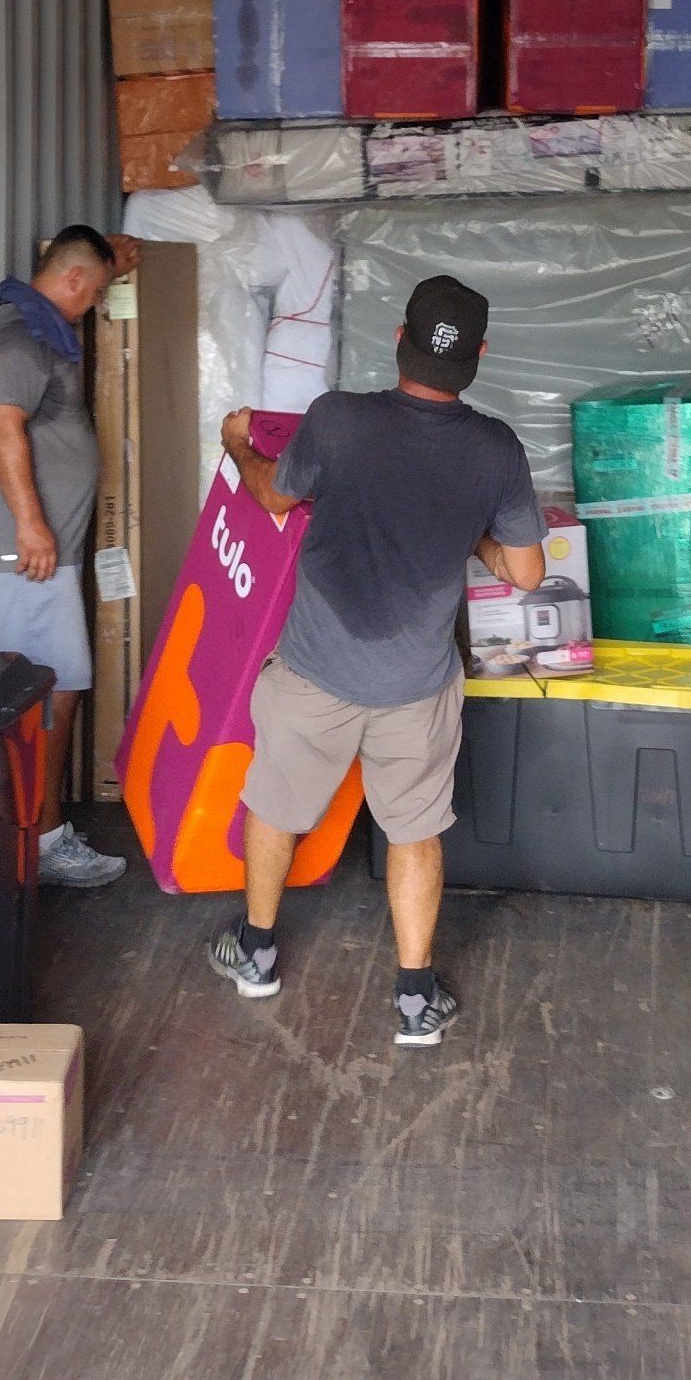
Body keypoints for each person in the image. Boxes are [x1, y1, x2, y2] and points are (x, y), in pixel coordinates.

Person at [208, 273, 545, 1045]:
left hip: (315, 671)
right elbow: (526, 572)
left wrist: (235, 445)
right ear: (481, 356)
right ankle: (414, 1001)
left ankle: (256, 955)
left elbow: (275, 497)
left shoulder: (338, 421)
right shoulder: (495, 449)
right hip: (415, 687)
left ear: (400, 339)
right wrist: (474, 536)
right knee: (414, 833)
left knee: (274, 809)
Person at [0, 223, 137, 887]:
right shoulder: (19, 337)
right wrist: (31, 527)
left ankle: (39, 830)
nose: (95, 305)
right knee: (48, 693)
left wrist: (115, 262)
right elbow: (2, 427)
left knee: (58, 687)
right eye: (93, 293)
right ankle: (39, 839)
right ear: (70, 281)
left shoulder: (39, 322)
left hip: (37, 555)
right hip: (22, 554)